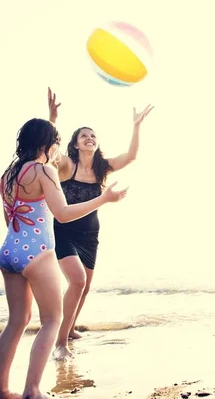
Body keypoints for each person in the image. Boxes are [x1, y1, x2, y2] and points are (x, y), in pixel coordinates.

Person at [0, 118, 126, 399]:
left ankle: (2, 388)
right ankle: (32, 390)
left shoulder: (8, 174)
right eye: (55, 143)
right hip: (38, 253)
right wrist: (104, 199)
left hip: (9, 251)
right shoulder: (44, 171)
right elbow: (63, 213)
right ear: (48, 144)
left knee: (16, 321)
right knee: (52, 319)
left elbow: (11, 216)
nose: (58, 148)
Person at [46, 88, 153, 359]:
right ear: (76, 144)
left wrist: (136, 126)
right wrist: (52, 118)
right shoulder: (67, 166)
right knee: (78, 281)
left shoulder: (102, 168)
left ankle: (69, 329)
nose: (90, 138)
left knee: (85, 286)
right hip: (64, 232)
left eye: (93, 135)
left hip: (90, 235)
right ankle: (60, 344)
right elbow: (48, 149)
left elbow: (130, 156)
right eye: (84, 136)